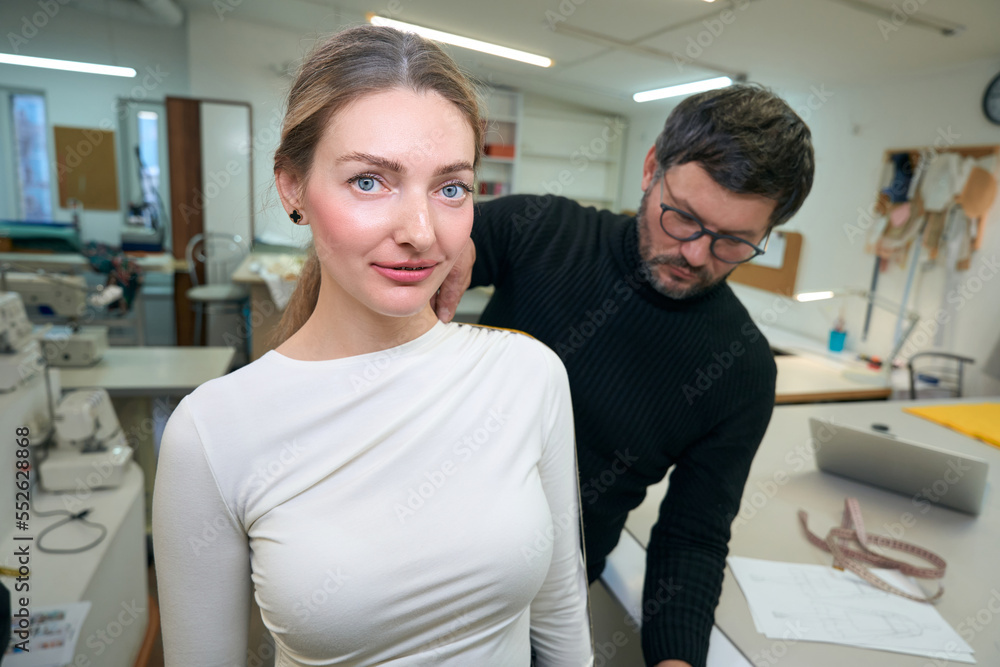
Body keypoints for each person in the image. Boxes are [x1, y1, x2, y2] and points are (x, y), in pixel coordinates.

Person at [152, 25, 593, 667]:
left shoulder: (529, 375)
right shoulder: (213, 432)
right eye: (369, 181)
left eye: (450, 188)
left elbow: (560, 622)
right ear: (292, 187)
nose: (421, 232)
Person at [434, 84, 815, 667]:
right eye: (683, 217)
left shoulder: (741, 368)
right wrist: (437, 248)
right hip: (414, 546)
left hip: (542, 609)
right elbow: (381, 276)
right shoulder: (538, 231)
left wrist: (676, 659)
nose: (696, 255)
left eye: (734, 242)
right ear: (650, 168)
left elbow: (693, 536)